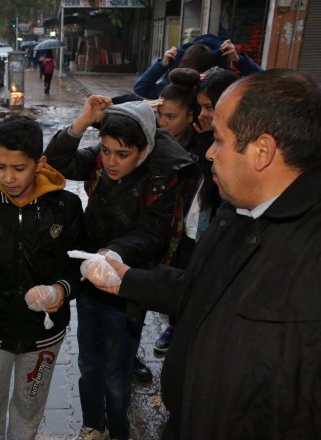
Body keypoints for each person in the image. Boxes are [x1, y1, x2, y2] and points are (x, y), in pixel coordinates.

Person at [100, 69, 321, 439]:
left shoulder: (309, 257)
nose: (208, 152)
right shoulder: (235, 213)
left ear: (262, 151)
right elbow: (199, 290)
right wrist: (127, 279)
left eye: (218, 139)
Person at [45, 97, 194, 440]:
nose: (111, 161)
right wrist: (83, 121)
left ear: (143, 151)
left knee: (116, 370)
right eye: (107, 150)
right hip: (89, 279)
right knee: (88, 363)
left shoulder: (161, 179)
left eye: (122, 154)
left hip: (127, 287)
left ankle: (119, 431)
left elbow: (151, 235)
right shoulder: (99, 161)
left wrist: (113, 254)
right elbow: (56, 162)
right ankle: (92, 425)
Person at [0, 115, 84, 440]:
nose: (7, 177)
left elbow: (79, 262)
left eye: (18, 168)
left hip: (44, 338)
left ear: (39, 163)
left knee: (28, 411)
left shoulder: (65, 207)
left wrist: (60, 290)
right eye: (0, 166)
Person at [153, 68, 237, 354]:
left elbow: (216, 191)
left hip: (211, 226)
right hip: (186, 226)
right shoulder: (198, 136)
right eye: (201, 107)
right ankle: (175, 326)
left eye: (208, 107)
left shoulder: (222, 143)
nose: (204, 114)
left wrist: (205, 145)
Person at [133, 34, 261, 100]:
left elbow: (265, 81)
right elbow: (141, 88)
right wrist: (162, 65)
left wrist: (238, 60)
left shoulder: (219, 88)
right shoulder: (174, 85)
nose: (191, 81)